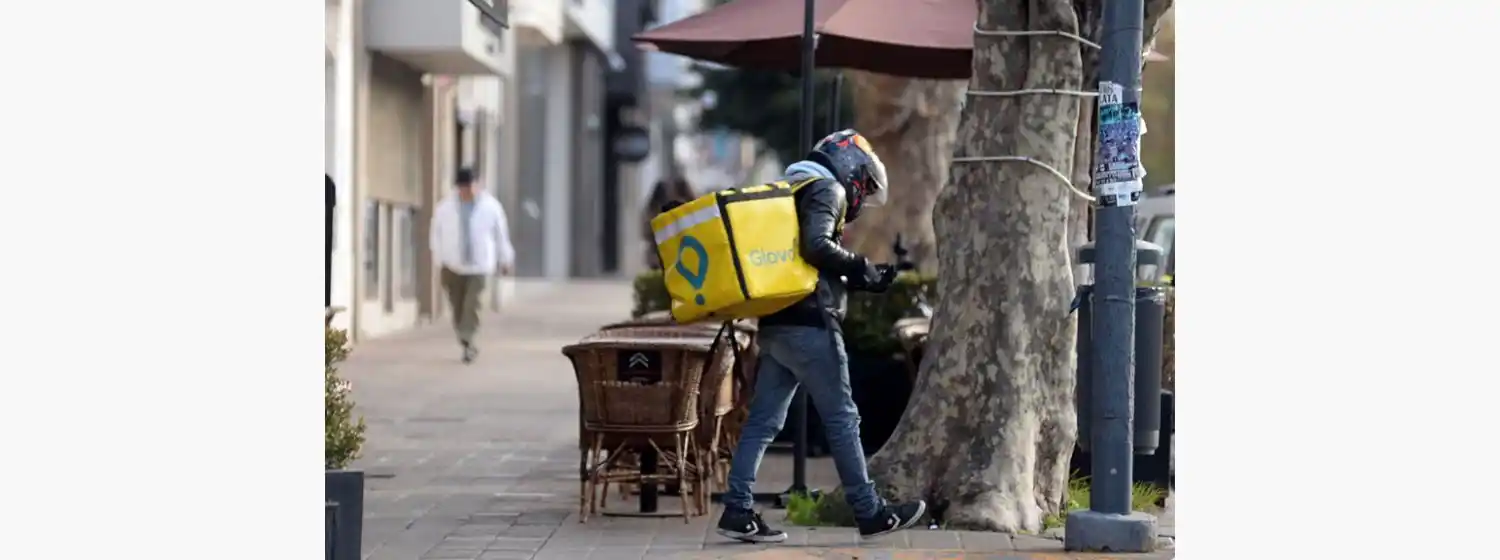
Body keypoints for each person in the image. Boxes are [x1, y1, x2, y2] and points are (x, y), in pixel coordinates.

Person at [717, 130, 926, 542]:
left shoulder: (793, 187)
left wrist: (859, 278)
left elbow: (808, 258)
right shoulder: (827, 189)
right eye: (863, 184)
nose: (861, 196)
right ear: (848, 164)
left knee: (762, 422)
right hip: (811, 325)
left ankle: (737, 510)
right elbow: (816, 246)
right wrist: (862, 266)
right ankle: (869, 512)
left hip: (777, 321)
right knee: (843, 418)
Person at [429, 167, 514, 363]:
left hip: (480, 266)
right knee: (457, 307)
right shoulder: (444, 207)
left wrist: (505, 258)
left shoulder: (491, 207)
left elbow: (501, 235)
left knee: (473, 305)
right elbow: (436, 234)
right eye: (463, 187)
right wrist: (439, 259)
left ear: (479, 185)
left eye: (471, 186)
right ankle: (465, 337)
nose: (467, 190)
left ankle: (469, 341)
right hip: (452, 265)